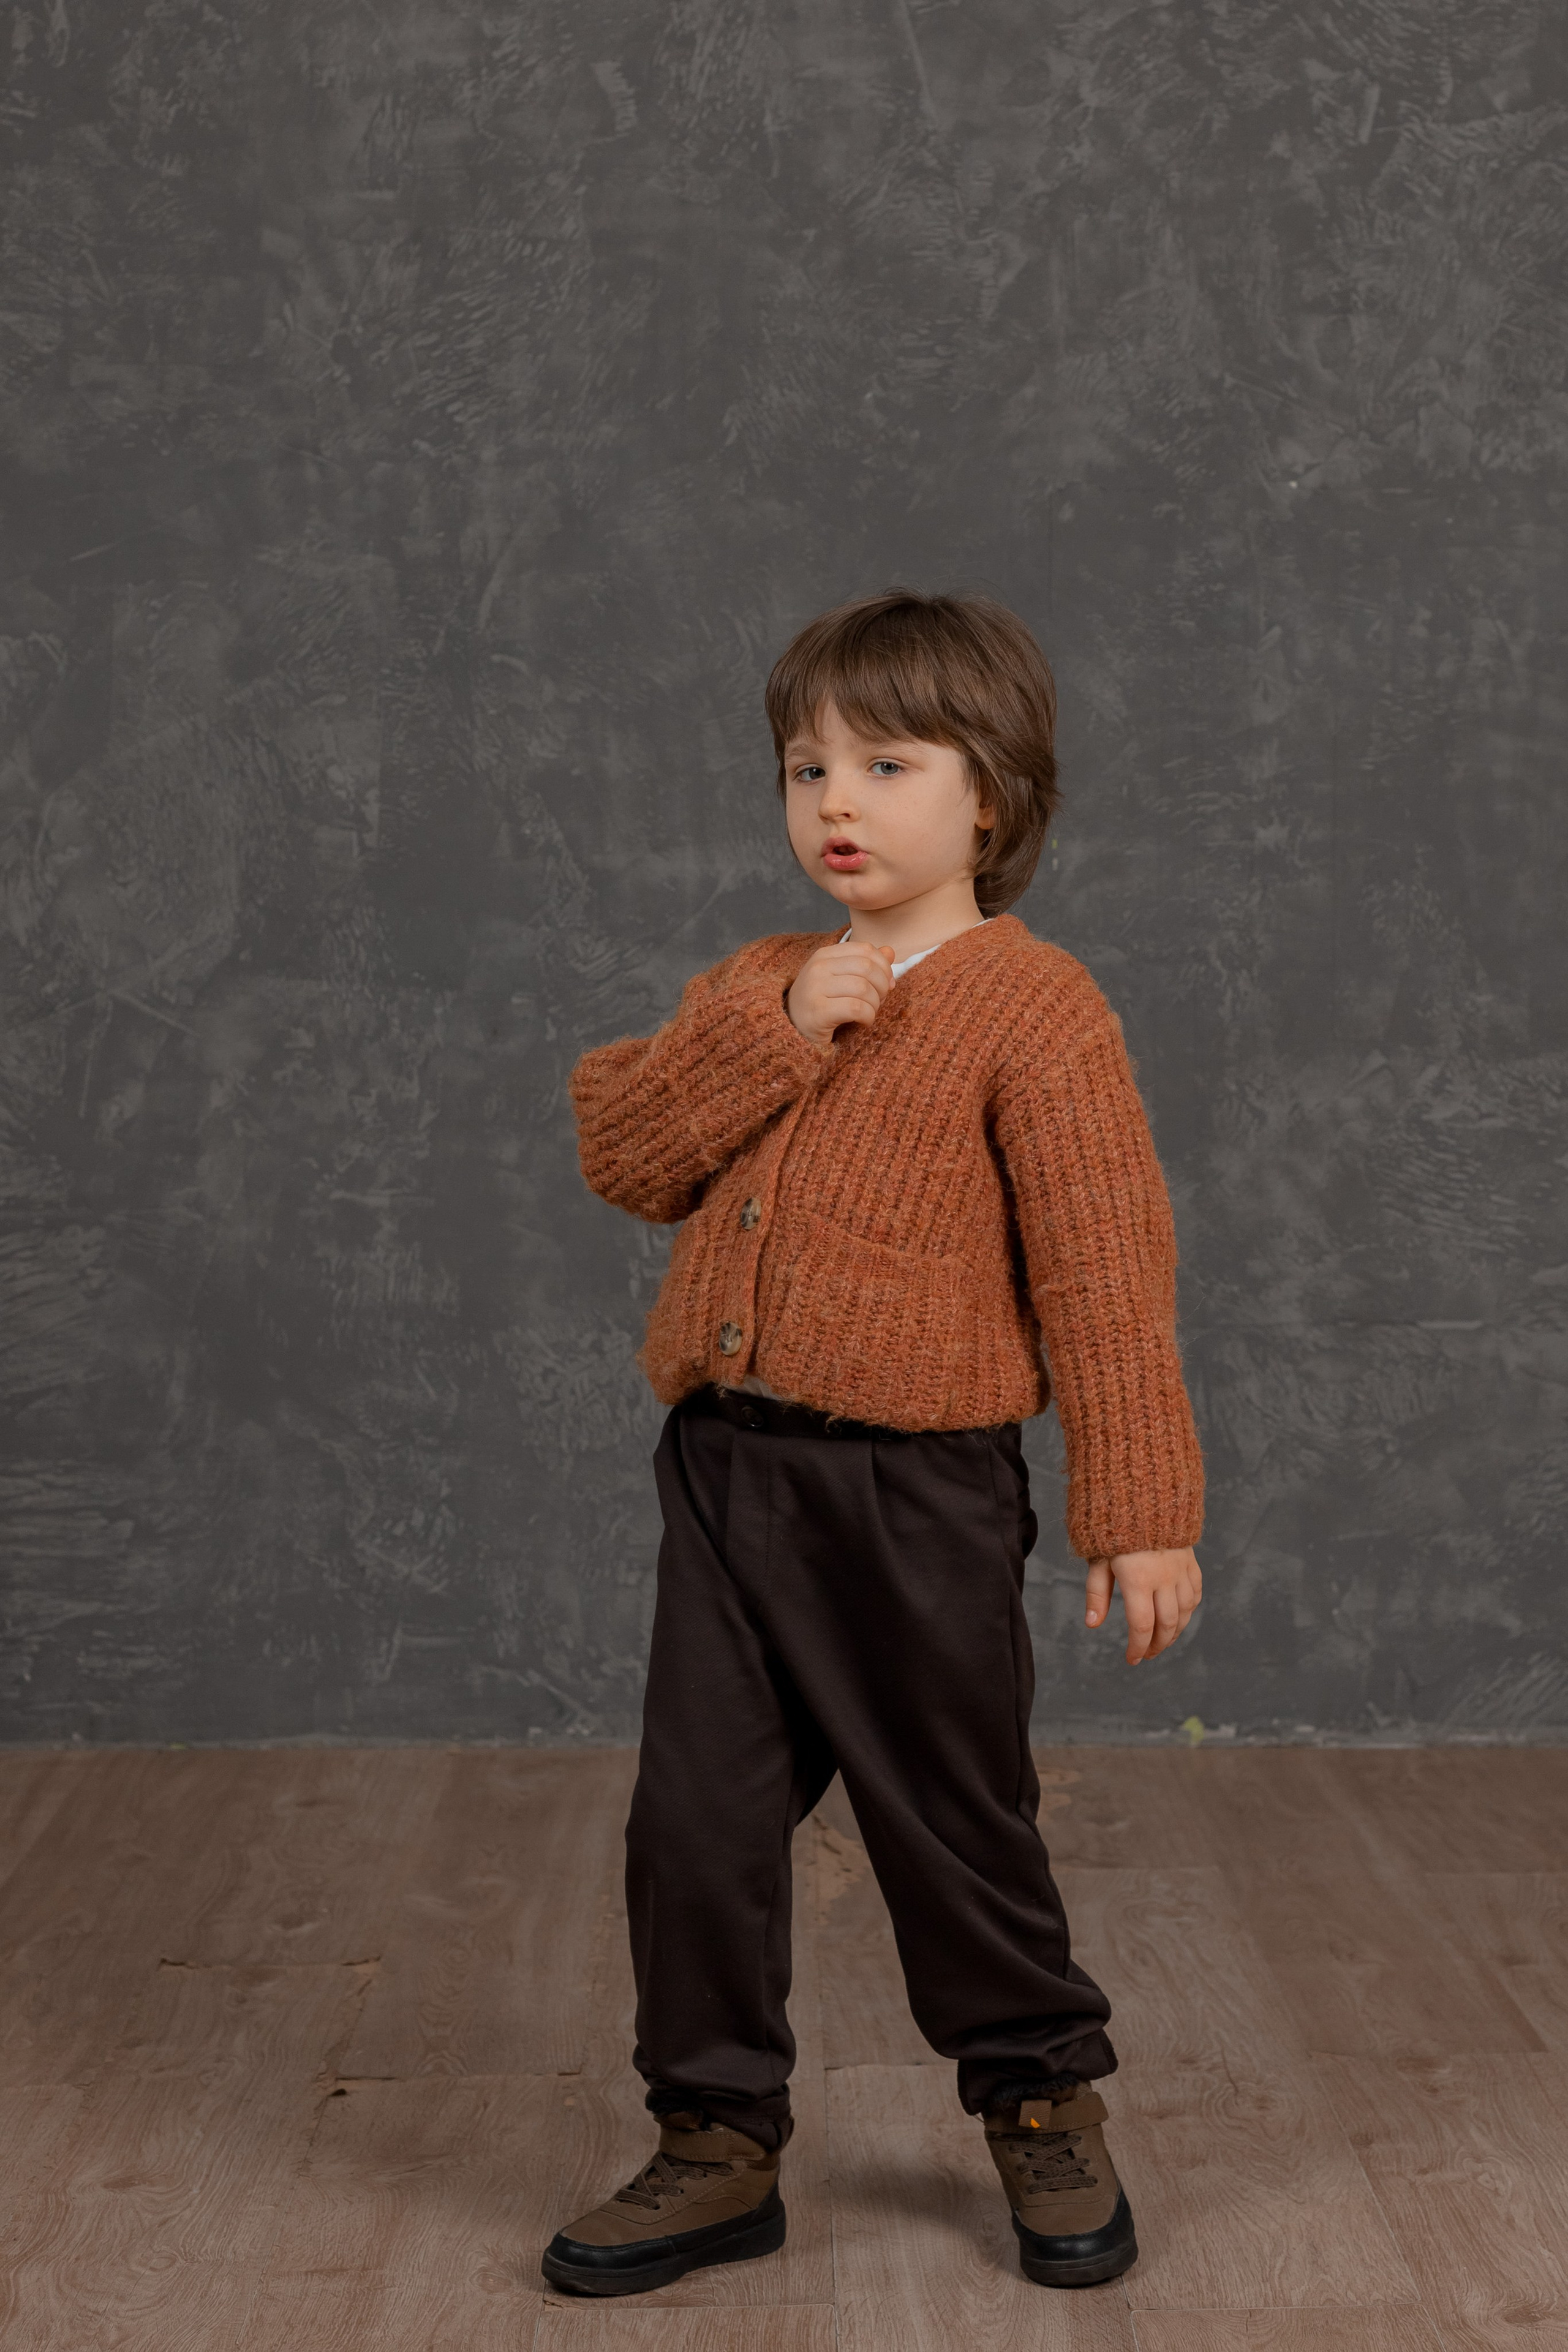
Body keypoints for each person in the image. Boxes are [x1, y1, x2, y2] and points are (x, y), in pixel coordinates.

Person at [543, 589, 1205, 2300]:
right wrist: (770, 1037)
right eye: (803, 765)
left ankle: (1043, 2100)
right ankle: (714, 2140)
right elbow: (624, 1149)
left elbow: (1107, 1277)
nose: (834, 798)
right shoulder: (761, 983)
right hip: (728, 1472)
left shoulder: (1035, 1010)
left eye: (885, 762)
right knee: (694, 1821)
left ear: (986, 796)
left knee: (950, 1816)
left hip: (916, 1496)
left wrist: (1142, 1512)